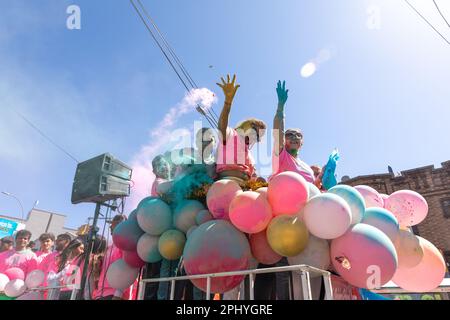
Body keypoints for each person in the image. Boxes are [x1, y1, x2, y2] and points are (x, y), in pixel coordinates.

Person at [216, 74, 266, 183]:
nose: (254, 134)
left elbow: (254, 176)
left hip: (244, 186)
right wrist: (228, 102)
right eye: (254, 128)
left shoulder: (249, 156)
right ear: (246, 125)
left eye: (258, 136)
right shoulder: (231, 135)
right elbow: (221, 127)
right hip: (225, 181)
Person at [271, 80, 315, 183]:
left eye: (298, 135)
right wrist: (281, 106)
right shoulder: (281, 155)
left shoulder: (307, 168)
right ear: (284, 140)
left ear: (302, 142)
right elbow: (278, 132)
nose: (294, 137)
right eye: (290, 134)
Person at [92, 214, 135, 300]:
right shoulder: (109, 248)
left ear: (122, 227)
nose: (111, 227)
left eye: (115, 225)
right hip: (100, 293)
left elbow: (128, 270)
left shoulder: (125, 245)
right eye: (111, 225)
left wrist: (118, 293)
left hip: (115, 294)